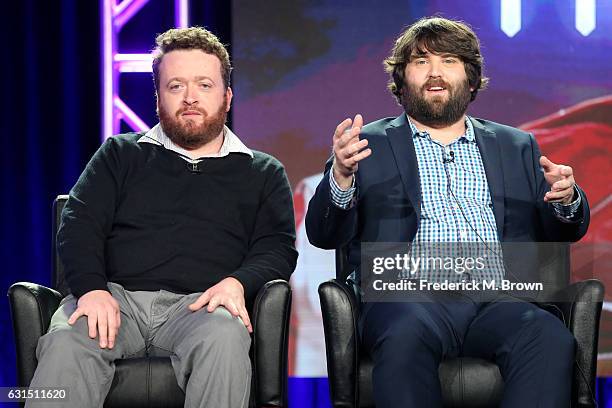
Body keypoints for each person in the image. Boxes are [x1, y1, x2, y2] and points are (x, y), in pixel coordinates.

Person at [305, 17, 589, 407]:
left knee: (548, 336)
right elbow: (323, 234)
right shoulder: (366, 144)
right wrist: (340, 177)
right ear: (401, 81)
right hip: (407, 296)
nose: (435, 73)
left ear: (472, 79)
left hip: (500, 297)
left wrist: (567, 199)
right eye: (421, 62)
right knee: (405, 332)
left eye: (449, 60)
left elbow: (563, 230)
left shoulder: (517, 145)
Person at [27, 27, 297, 408]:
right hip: (115, 299)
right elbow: (78, 225)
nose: (190, 98)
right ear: (158, 99)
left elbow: (278, 249)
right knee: (69, 338)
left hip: (202, 306)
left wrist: (238, 283)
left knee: (225, 336)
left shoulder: (262, 172)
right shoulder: (119, 154)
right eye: (175, 86)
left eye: (204, 85)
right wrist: (91, 289)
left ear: (227, 96)